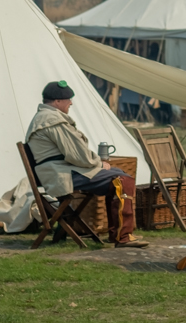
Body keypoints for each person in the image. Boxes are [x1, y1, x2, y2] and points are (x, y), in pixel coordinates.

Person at [25, 80, 148, 248]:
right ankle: (122, 236)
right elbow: (78, 155)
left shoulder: (44, 118)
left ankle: (118, 233)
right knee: (122, 180)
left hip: (60, 172)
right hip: (63, 175)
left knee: (119, 175)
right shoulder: (52, 120)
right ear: (57, 101)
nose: (71, 103)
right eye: (68, 99)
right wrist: (98, 163)